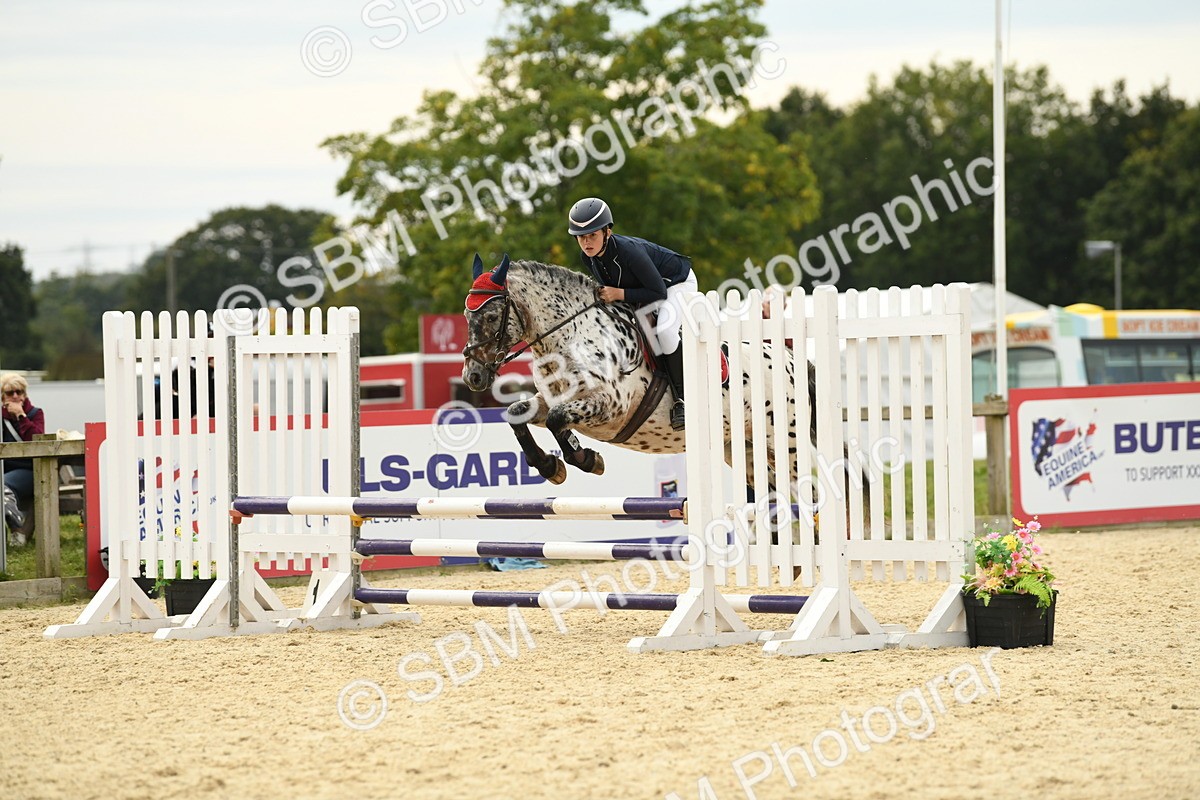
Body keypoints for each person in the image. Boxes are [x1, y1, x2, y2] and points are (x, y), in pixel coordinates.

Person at [568, 197, 697, 430]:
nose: (586, 243)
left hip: (676, 284)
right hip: (645, 289)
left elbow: (657, 292)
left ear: (607, 232)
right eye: (581, 237)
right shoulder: (588, 258)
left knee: (665, 331)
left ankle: (683, 400)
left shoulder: (629, 251)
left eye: (592, 236)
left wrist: (618, 294)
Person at [1, 373, 45, 510]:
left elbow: (36, 441)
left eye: (19, 392)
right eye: (10, 393)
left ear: (24, 395)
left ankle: (17, 527)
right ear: (3, 397)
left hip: (30, 470)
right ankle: (16, 529)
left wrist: (21, 416)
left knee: (3, 485)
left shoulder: (36, 414)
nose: (15, 396)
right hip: (5, 469)